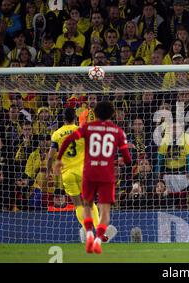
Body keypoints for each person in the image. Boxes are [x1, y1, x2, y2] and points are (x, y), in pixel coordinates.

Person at [54, 101, 132, 254]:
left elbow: (69, 140)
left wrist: (58, 160)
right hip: (104, 173)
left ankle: (88, 233)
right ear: (112, 114)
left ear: (95, 114)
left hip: (87, 172)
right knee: (104, 210)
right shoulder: (118, 131)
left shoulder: (87, 128)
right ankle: (98, 239)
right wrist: (117, 161)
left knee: (84, 205)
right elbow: (128, 160)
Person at [47, 107, 102, 239]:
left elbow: (50, 157)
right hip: (84, 172)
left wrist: (49, 171)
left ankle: (87, 231)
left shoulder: (56, 134)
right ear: (74, 117)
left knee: (77, 204)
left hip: (67, 174)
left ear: (63, 118)